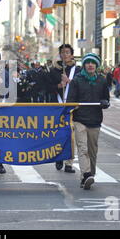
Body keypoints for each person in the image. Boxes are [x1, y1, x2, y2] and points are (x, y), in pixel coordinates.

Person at [67, 53, 110, 190]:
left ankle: (89, 175)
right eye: (88, 62)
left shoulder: (102, 80)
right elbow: (70, 101)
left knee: (92, 150)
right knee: (82, 148)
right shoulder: (76, 81)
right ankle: (86, 174)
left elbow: (106, 99)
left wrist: (105, 103)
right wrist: (73, 105)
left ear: (96, 65)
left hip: (95, 120)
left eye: (93, 62)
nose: (90, 65)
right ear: (84, 65)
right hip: (80, 119)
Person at [49, 44, 80, 173]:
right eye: (62, 52)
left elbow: (81, 86)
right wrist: (58, 85)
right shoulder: (54, 70)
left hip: (73, 106)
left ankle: (69, 162)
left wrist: (69, 82)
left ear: (72, 54)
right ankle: (58, 157)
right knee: (58, 132)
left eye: (67, 52)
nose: (65, 55)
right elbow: (47, 87)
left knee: (71, 134)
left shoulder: (77, 70)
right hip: (57, 106)